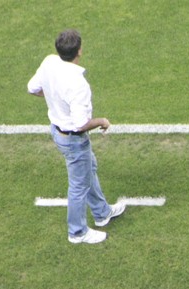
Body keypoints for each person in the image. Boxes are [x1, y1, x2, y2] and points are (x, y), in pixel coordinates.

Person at [28, 29, 125, 244]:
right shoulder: (78, 84)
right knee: (79, 185)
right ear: (79, 50)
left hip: (58, 131)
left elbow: (32, 88)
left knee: (89, 169)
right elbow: (81, 124)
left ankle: (102, 213)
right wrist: (102, 122)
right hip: (73, 139)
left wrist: (52, 95)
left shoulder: (49, 62)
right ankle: (77, 232)